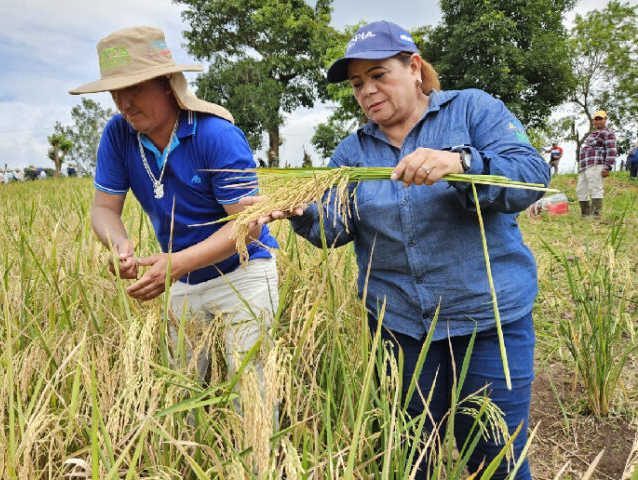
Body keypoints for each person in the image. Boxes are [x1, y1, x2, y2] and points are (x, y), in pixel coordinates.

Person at [244, 20, 548, 479]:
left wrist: (462, 164)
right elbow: (334, 229)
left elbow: (529, 175)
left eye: (378, 74)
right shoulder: (351, 154)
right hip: (400, 327)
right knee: (409, 456)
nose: (367, 90)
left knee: (495, 460)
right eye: (357, 83)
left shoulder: (471, 110)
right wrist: (301, 211)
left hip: (487, 321)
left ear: (414, 68)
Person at [69, 26, 279, 400]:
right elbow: (103, 208)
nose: (124, 102)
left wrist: (178, 262)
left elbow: (248, 225)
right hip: (180, 277)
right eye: (116, 91)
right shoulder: (118, 135)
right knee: (180, 389)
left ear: (167, 83)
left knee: (250, 389)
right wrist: (119, 245)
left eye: (134, 88)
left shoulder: (216, 134)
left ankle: (261, 459)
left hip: (243, 271)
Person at [577, 110, 616, 217]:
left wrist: (608, 166)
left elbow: (611, 150)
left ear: (605, 119)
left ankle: (595, 215)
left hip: (596, 164)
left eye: (601, 119)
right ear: (593, 121)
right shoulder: (592, 135)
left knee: (595, 188)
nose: (598, 121)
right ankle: (585, 214)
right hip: (585, 166)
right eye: (596, 119)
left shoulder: (607, 133)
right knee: (580, 190)